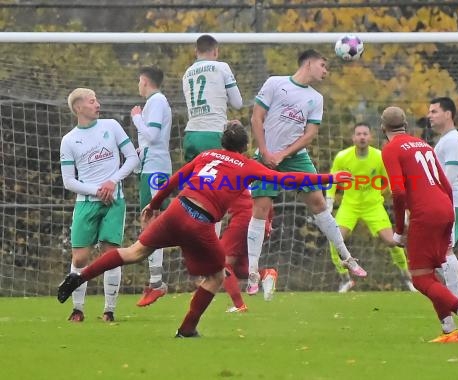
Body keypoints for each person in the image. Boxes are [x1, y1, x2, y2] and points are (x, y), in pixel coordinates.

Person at [58, 123, 348, 337]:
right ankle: (187, 329)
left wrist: (155, 204)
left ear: (222, 142)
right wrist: (330, 178)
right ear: (245, 146)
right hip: (199, 220)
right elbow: (287, 180)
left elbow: (175, 180)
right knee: (216, 275)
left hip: (176, 210)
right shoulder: (248, 165)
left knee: (134, 251)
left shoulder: (207, 155)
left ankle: (79, 277)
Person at [247, 49, 366, 295]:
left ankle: (346, 256)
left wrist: (283, 154)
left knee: (318, 203)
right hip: (266, 155)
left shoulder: (316, 98)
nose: (325, 71)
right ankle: (252, 272)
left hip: (295, 158)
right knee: (260, 209)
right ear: (309, 63)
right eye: (323, 65)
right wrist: (265, 151)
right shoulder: (275, 83)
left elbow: (310, 133)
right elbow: (256, 118)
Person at [380, 106, 458, 343]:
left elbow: (398, 192)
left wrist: (399, 231)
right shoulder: (423, 145)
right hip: (444, 207)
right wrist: (446, 211)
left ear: (383, 128)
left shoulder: (390, 149)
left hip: (425, 213)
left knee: (420, 278)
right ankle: (449, 331)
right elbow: (446, 185)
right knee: (432, 275)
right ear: (405, 125)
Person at [59, 88, 139, 322]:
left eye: (97, 100)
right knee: (80, 258)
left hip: (114, 201)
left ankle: (109, 310)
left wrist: (112, 182)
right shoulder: (69, 140)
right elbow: (68, 181)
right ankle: (77, 309)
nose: (98, 104)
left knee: (111, 254)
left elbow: (132, 158)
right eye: (92, 101)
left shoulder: (111, 126)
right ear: (78, 108)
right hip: (86, 204)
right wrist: (97, 190)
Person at [326, 122, 415, 293]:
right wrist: (329, 199)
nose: (362, 137)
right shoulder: (342, 157)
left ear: (370, 137)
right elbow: (332, 179)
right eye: (358, 134)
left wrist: (404, 205)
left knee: (393, 241)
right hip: (349, 206)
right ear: (353, 137)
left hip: (373, 206)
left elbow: (392, 181)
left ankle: (407, 277)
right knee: (335, 239)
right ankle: (345, 278)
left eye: (365, 134)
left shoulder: (379, 157)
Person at [182, 34, 243, 235]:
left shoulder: (187, 72)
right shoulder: (221, 67)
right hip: (213, 135)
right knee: (214, 196)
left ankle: (190, 246)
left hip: (191, 135)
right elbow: (237, 103)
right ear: (215, 51)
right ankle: (211, 250)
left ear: (196, 51)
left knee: (194, 195)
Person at [130, 66, 173, 307]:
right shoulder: (154, 102)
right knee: (148, 220)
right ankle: (155, 282)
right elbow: (149, 140)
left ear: (145, 81)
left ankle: (157, 283)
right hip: (150, 166)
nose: (138, 85)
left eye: (139, 80)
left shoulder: (156, 101)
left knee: (155, 219)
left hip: (157, 169)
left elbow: (154, 136)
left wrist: (136, 118)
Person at [428, 97, 458, 301]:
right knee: (431, 253)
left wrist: (437, 201)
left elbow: (450, 176)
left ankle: (456, 300)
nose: (429, 115)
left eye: (434, 111)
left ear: (448, 114)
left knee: (443, 252)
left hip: (450, 202)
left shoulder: (453, 140)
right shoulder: (446, 140)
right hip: (444, 201)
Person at [222, 191, 276, 312]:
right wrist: (270, 221)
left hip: (243, 220)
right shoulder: (254, 178)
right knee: (238, 269)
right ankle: (265, 274)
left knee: (221, 264)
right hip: (261, 221)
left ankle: (239, 305)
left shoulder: (227, 177)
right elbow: (268, 201)